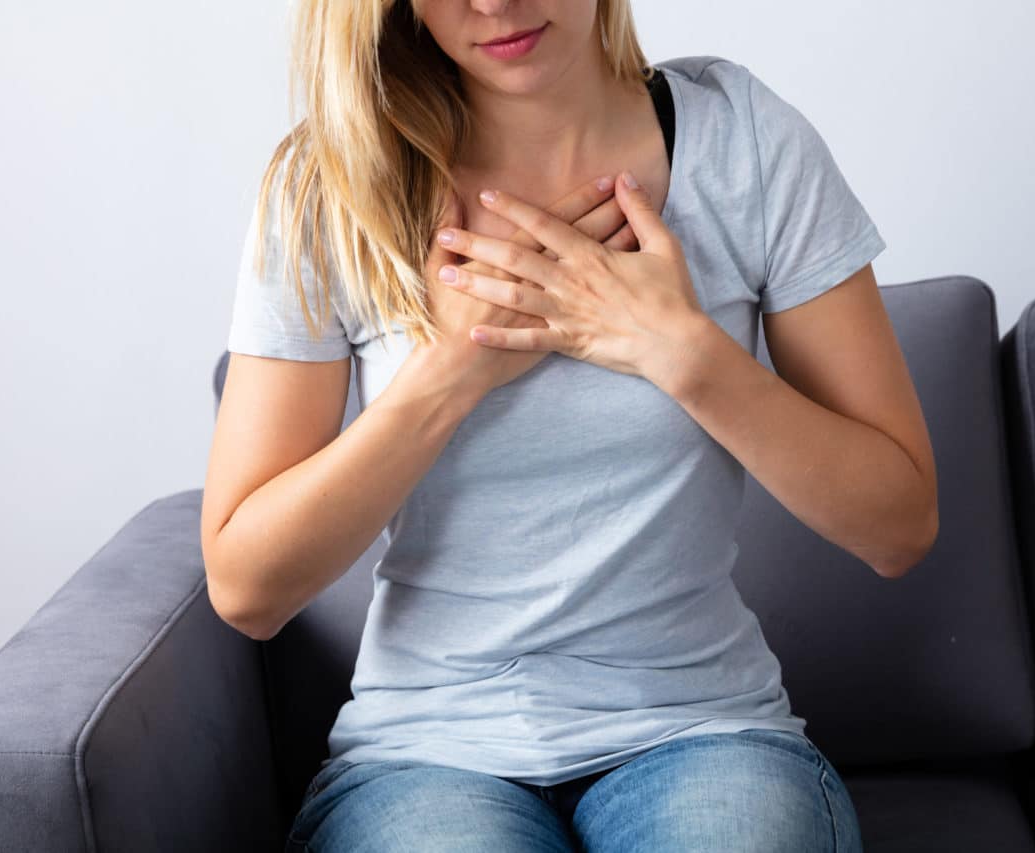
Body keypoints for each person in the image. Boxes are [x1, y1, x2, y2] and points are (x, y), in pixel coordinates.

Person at [202, 0, 939, 850]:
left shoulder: (745, 142)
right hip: (427, 753)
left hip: (702, 731)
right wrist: (449, 371)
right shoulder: (327, 187)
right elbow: (246, 589)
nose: (493, 3)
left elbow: (901, 524)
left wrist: (683, 353)